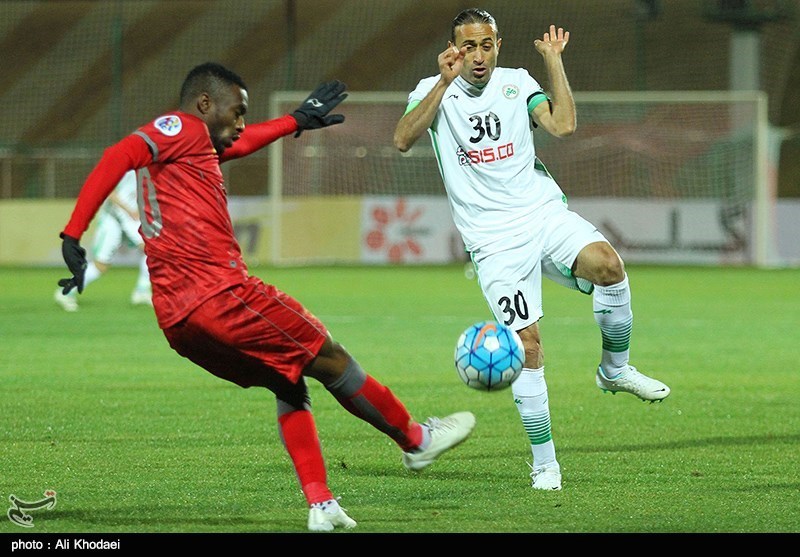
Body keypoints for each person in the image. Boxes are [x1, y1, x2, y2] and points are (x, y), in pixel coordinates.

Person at [57, 62, 476, 531]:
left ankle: (321, 504)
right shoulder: (180, 127)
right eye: (236, 111)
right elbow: (119, 154)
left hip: (178, 322)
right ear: (204, 104)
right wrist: (74, 232)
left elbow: (241, 143)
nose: (241, 122)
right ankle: (417, 441)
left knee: (288, 381)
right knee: (332, 357)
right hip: (222, 296)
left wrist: (295, 121)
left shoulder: (195, 149)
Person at [393, 8, 670, 492]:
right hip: (492, 239)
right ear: (454, 50)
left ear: (498, 45)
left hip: (541, 212)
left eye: (486, 45)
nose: (478, 56)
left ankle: (615, 370)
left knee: (609, 266)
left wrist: (554, 61)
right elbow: (402, 138)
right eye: (468, 46)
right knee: (528, 346)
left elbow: (563, 125)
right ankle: (545, 464)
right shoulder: (432, 90)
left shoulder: (518, 83)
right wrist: (443, 82)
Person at [54, 170, 152, 312]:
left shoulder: (146, 168)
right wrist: (129, 210)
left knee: (152, 250)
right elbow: (108, 190)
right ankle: (67, 291)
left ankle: (142, 290)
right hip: (112, 218)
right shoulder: (124, 166)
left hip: (131, 217)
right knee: (101, 265)